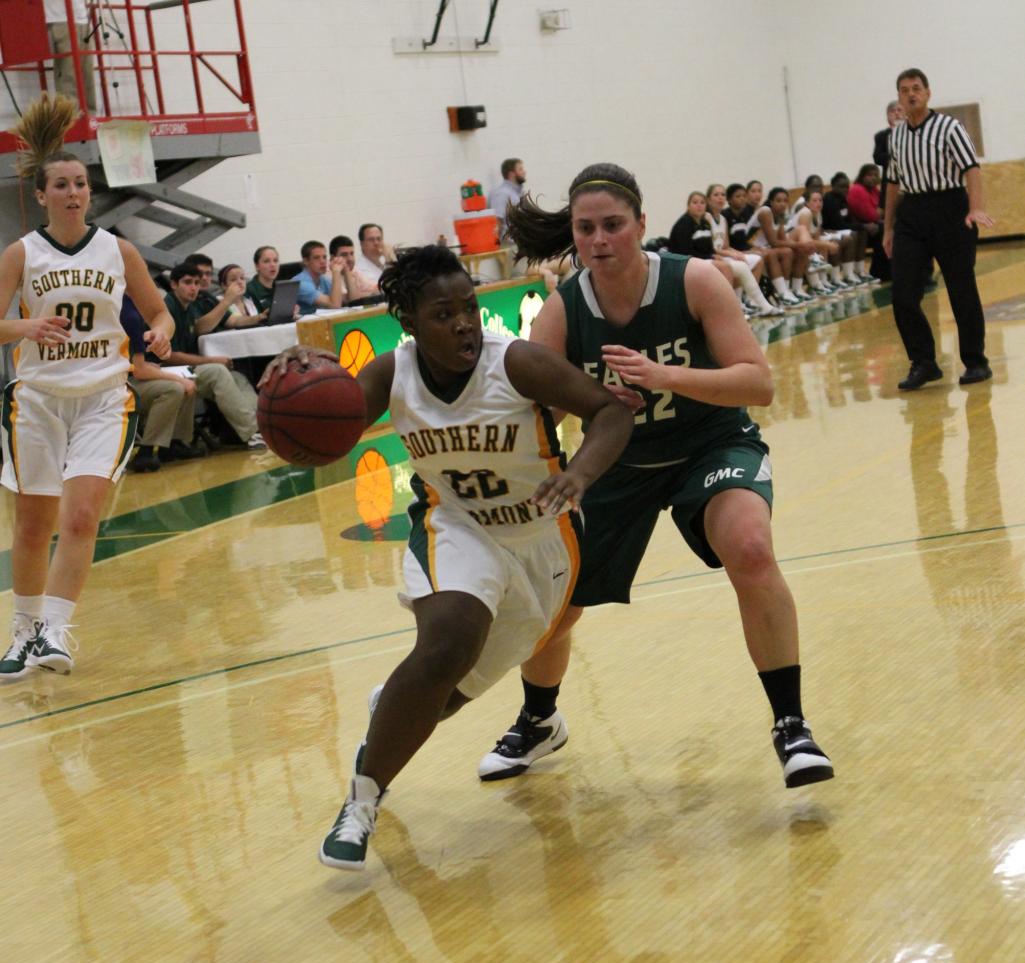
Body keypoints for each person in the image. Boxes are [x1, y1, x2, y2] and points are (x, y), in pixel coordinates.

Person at [261, 245, 634, 870]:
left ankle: (394, 710)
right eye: (443, 313)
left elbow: (611, 412)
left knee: (447, 691)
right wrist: (293, 375)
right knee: (450, 638)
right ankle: (362, 801)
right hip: (453, 525)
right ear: (407, 320)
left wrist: (582, 474)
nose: (464, 322)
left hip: (540, 539)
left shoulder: (516, 363)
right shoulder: (391, 374)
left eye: (469, 307)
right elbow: (327, 434)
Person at [480, 162, 834, 790]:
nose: (598, 239)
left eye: (612, 225)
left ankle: (791, 726)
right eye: (585, 228)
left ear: (641, 224)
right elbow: (542, 415)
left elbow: (760, 381)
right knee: (556, 602)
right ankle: (540, 720)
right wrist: (587, 402)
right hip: (616, 464)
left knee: (750, 547)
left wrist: (665, 376)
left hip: (709, 444)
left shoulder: (694, 280)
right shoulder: (562, 311)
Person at [0, 94, 173, 679]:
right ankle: (23, 632)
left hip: (104, 397)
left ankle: (53, 627)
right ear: (42, 194)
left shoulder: (118, 251)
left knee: (80, 519)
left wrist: (162, 334)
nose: (74, 192)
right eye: (63, 185)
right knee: (32, 523)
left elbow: (159, 314)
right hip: (38, 400)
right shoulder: (20, 254)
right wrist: (25, 325)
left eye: (81, 184)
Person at [883, 67, 994, 390]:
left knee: (962, 289)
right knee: (903, 293)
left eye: (916, 88)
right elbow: (892, 183)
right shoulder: (896, 135)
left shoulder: (949, 128)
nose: (911, 94)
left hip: (949, 209)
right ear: (899, 97)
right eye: (904, 90)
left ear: (928, 92)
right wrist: (888, 228)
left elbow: (971, 169)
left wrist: (975, 207)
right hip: (912, 212)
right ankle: (924, 362)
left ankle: (976, 361)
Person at [162, 261, 264, 448]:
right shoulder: (167, 308)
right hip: (165, 371)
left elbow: (204, 325)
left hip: (186, 369)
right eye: (187, 282)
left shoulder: (191, 307)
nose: (193, 288)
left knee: (237, 377)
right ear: (174, 284)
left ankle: (264, 426)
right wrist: (211, 360)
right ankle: (251, 433)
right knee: (217, 371)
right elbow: (169, 357)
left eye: (196, 283)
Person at [122, 295, 199, 472]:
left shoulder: (133, 313)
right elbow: (139, 371)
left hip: (126, 377)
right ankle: (146, 451)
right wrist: (179, 379)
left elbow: (135, 364)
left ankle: (175, 443)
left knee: (184, 385)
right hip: (120, 384)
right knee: (174, 388)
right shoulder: (128, 314)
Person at [705, 183, 783, 317]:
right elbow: (709, 248)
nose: (720, 198)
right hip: (710, 257)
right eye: (716, 195)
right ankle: (741, 304)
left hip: (722, 254)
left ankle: (749, 301)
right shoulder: (707, 217)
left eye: (722, 194)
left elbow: (725, 246)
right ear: (709, 199)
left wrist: (737, 253)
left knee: (757, 260)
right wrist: (733, 255)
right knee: (739, 264)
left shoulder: (723, 219)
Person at [44, 0, 97, 112]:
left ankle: (90, 118)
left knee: (86, 74)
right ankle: (72, 120)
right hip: (60, 19)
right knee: (68, 75)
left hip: (81, 20)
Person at [847, 164, 889, 282]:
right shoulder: (857, 189)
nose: (873, 178)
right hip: (859, 229)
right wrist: (880, 216)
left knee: (890, 229)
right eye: (869, 175)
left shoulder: (874, 190)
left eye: (876, 175)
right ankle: (879, 272)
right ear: (862, 176)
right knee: (883, 231)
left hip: (872, 226)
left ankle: (889, 270)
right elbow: (870, 215)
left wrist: (881, 217)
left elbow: (884, 210)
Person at [328, 235, 382, 303]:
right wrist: (370, 294)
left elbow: (377, 289)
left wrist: (371, 293)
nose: (350, 259)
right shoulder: (328, 275)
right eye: (344, 255)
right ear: (333, 258)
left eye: (352, 253)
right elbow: (351, 298)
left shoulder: (354, 271)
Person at [294, 240, 344, 315]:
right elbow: (335, 305)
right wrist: (336, 272)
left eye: (324, 257)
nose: (323, 261)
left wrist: (346, 271)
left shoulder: (323, 279)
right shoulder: (300, 283)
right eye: (317, 258)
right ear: (306, 261)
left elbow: (348, 300)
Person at [488, 158, 528, 241]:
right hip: (509, 245)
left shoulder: (519, 193)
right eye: (520, 169)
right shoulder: (501, 194)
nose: (524, 172)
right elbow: (497, 222)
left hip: (522, 242)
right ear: (511, 174)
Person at [245, 245, 280, 315]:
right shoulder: (248, 290)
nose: (273, 265)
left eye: (275, 261)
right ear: (257, 266)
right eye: (266, 261)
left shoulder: (282, 287)